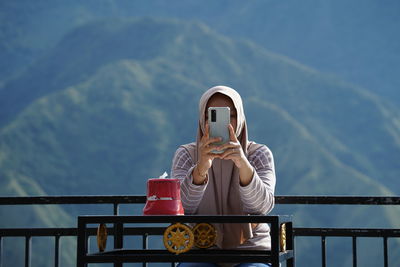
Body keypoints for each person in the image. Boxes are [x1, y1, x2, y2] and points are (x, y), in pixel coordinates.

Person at [171, 86, 276, 267]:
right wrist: (201, 167)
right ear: (201, 120)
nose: (223, 123)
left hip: (252, 250)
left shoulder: (258, 154)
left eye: (230, 116)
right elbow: (183, 207)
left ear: (241, 118)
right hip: (200, 248)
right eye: (209, 116)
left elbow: (262, 206)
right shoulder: (186, 155)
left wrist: (242, 163)